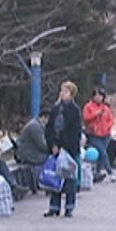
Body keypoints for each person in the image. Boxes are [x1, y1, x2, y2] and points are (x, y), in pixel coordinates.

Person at [45, 81, 82, 217]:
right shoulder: (55, 109)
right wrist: (53, 144)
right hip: (55, 148)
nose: (62, 94)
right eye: (61, 91)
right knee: (55, 178)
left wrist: (64, 147)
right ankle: (54, 206)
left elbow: (75, 132)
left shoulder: (75, 111)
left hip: (69, 150)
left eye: (66, 92)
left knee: (69, 179)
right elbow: (49, 128)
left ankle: (69, 207)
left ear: (72, 95)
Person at [82, 88, 116, 182]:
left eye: (100, 95)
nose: (99, 97)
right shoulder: (88, 106)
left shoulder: (106, 108)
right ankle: (110, 172)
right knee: (103, 153)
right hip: (94, 134)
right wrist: (96, 114)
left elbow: (111, 120)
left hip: (106, 135)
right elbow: (86, 117)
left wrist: (108, 127)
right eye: (96, 95)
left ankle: (97, 173)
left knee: (102, 154)